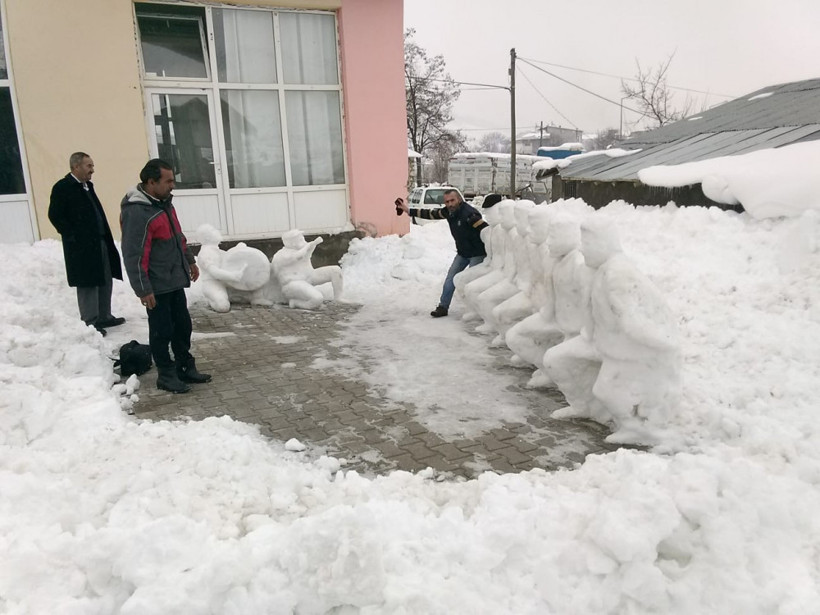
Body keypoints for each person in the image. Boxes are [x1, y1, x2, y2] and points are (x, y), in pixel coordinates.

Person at [120, 159, 211, 394]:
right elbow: (134, 254)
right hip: (157, 284)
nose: (173, 185)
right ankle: (166, 375)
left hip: (174, 279)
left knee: (182, 326)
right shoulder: (138, 212)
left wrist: (190, 260)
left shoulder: (164, 204)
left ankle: (184, 366)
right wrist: (143, 289)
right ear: (151, 182)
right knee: (161, 331)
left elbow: (178, 236)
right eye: (168, 181)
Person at [48, 152, 125, 336]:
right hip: (81, 247)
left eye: (92, 166)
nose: (92, 170)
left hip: (99, 241)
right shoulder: (63, 187)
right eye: (88, 166)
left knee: (105, 278)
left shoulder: (87, 186)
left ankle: (104, 316)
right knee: (88, 283)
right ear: (76, 167)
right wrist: (72, 236)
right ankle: (90, 321)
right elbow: (55, 215)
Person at [395, 189, 488, 317]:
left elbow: (486, 230)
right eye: (447, 202)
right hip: (463, 253)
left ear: (459, 199)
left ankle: (481, 311)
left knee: (472, 283)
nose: (450, 204)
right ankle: (443, 307)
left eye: (452, 200)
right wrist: (407, 210)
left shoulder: (469, 214)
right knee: (451, 279)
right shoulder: (448, 212)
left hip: (477, 254)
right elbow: (431, 214)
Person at [272, 229, 344, 310]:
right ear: (292, 243)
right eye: (300, 239)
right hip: (293, 285)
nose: (303, 240)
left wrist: (314, 244)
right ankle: (296, 303)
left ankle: (338, 298)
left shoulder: (301, 249)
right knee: (317, 299)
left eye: (302, 238)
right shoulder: (281, 255)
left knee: (335, 270)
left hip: (309, 277)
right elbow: (297, 257)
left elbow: (308, 252)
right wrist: (308, 246)